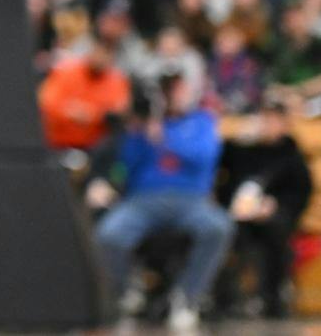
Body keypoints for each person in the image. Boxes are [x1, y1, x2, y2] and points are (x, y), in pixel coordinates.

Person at [87, 72, 232, 329]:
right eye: (169, 91)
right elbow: (126, 168)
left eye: (179, 90)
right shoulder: (143, 125)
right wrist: (137, 133)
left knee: (218, 227)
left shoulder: (201, 121)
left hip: (191, 200)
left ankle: (187, 297)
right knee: (109, 234)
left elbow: (204, 157)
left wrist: (165, 138)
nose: (175, 96)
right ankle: (128, 290)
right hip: (143, 200)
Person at [216, 102, 313, 318]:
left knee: (276, 236)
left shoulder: (291, 156)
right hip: (238, 217)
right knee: (224, 234)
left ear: (284, 125)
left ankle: (273, 296)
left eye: (274, 120)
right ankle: (227, 300)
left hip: (274, 217)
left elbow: (301, 192)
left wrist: (275, 206)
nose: (268, 125)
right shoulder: (241, 150)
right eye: (265, 119)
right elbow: (222, 172)